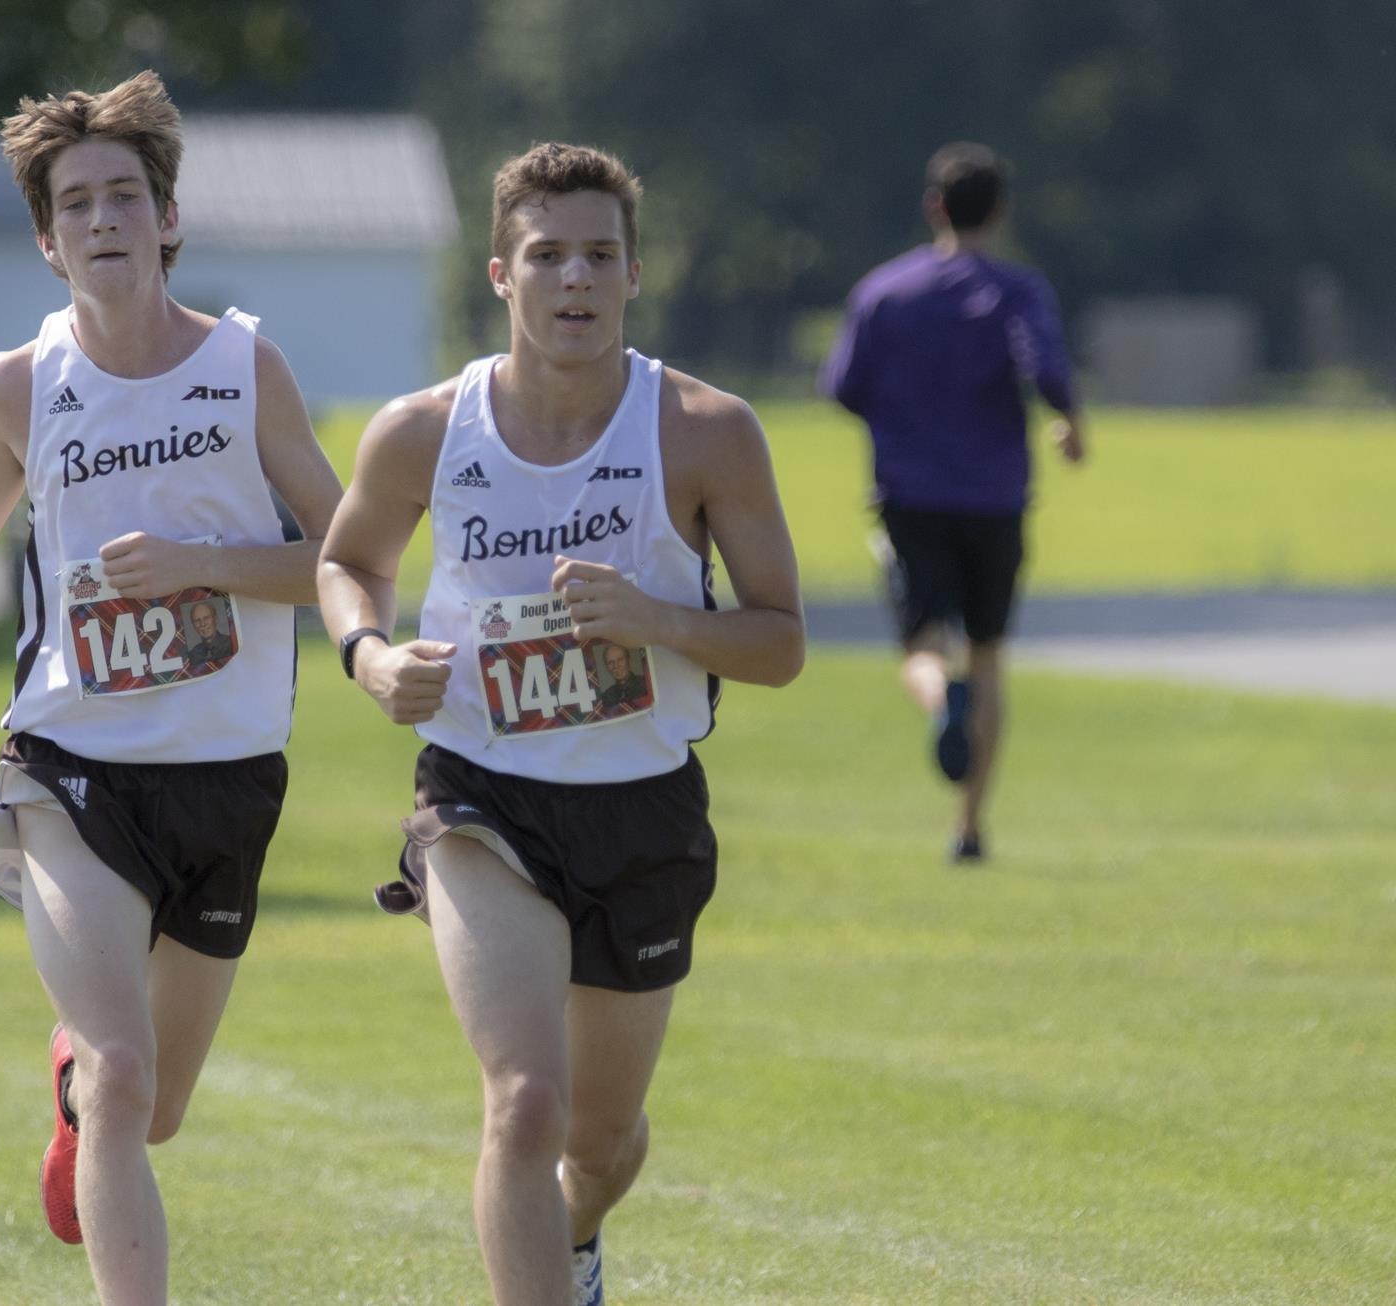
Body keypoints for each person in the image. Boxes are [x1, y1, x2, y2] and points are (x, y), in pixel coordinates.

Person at [0, 69, 342, 1303]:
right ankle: (96, 1091)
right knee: (128, 1070)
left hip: (227, 777)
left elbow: (349, 560)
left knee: (153, 1106)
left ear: (166, 220)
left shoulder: (245, 369)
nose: (102, 220)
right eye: (76, 203)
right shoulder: (19, 384)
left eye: (124, 196)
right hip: (67, 771)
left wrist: (204, 565)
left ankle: (75, 1099)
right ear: (45, 239)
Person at [317, 142, 803, 1306]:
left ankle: (572, 1239)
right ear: (500, 273)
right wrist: (369, 655)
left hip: (640, 813)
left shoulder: (703, 429)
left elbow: (780, 638)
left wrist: (656, 620)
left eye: (597, 255)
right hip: (480, 796)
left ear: (633, 274)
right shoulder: (421, 431)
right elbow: (345, 561)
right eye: (547, 254)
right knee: (522, 1100)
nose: (572, 278)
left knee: (599, 1142)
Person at [822, 141, 1086, 864]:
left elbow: (844, 387)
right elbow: (1048, 368)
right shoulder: (1018, 290)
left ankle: (942, 701)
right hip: (996, 497)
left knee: (920, 646)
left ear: (933, 205)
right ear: (999, 210)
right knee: (990, 654)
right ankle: (969, 827)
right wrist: (1068, 422)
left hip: (910, 495)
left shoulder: (884, 292)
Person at [594, 643, 649, 712]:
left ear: (628, 659)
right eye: (611, 662)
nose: (616, 666)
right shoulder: (606, 697)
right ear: (606, 666)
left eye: (620, 660)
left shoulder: (645, 683)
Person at [182, 598, 233, 669]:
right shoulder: (193, 655)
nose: (202, 624)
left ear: (215, 618)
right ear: (193, 625)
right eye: (197, 620)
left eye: (206, 618)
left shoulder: (231, 644)